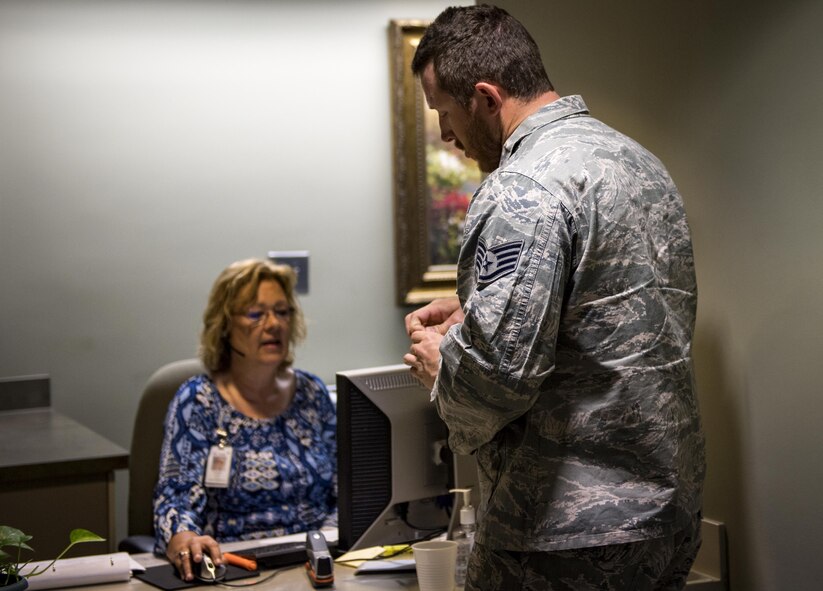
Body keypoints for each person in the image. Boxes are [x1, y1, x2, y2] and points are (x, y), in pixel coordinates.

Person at [403, 5, 705, 590]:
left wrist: (443, 367)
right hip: (666, 514)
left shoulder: (521, 185)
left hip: (560, 535)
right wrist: (479, 312)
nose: (445, 135)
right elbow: (610, 313)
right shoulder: (637, 163)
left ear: (488, 99)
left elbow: (495, 382)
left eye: (445, 113)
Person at [153, 258, 336, 581]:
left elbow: (345, 490)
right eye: (256, 313)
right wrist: (183, 538)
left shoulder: (312, 393)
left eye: (282, 312)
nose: (273, 324)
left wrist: (333, 542)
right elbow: (176, 497)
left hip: (314, 561)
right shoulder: (199, 401)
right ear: (224, 325)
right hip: (231, 567)